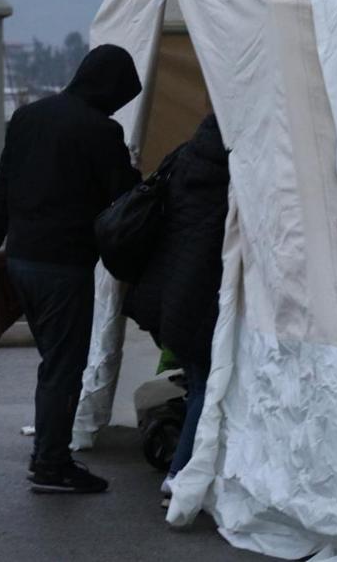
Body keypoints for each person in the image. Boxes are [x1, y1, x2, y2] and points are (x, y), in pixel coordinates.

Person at [0, 44, 142, 494]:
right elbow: (124, 199)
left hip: (20, 260)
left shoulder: (27, 117)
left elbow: (3, 183)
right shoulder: (101, 132)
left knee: (54, 365)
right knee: (63, 370)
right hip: (63, 268)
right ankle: (51, 465)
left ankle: (50, 455)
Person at [121, 114, 230, 501]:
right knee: (204, 386)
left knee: (197, 381)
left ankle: (187, 466)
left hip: (162, 296)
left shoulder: (183, 159)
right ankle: (179, 476)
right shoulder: (231, 179)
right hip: (196, 301)